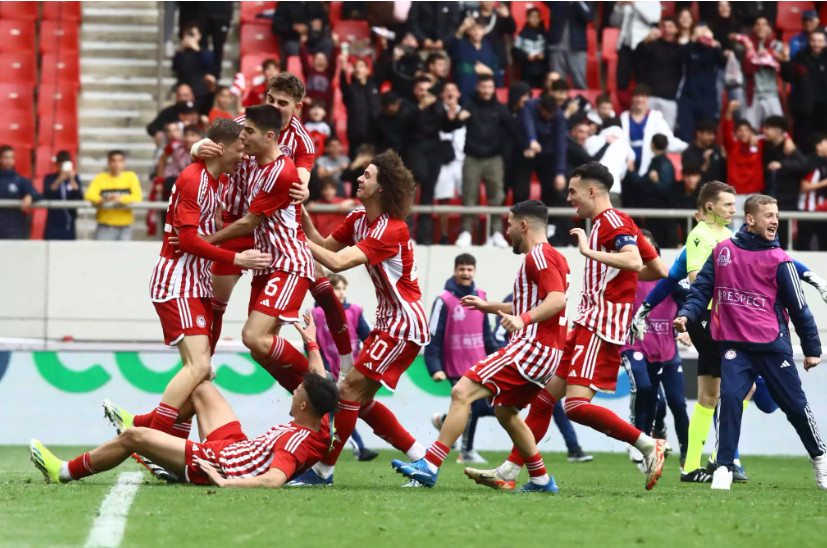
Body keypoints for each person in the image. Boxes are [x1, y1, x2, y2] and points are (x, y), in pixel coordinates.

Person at [467, 162, 669, 492]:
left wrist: (589, 252)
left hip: (599, 325)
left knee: (574, 406)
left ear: (592, 190)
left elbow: (633, 262)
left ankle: (648, 445)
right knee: (545, 400)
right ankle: (511, 470)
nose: (569, 197)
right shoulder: (622, 222)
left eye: (573, 191)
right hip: (587, 323)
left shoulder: (611, 223)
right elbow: (656, 268)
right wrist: (616, 276)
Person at [392, 200, 569, 492]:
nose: (507, 230)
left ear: (523, 225)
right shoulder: (553, 257)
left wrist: (522, 320)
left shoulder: (539, 256)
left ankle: (431, 465)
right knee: (505, 411)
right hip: (547, 351)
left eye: (509, 224)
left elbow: (557, 301)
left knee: (462, 391)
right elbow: (537, 301)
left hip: (532, 347)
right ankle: (540, 479)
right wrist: (488, 307)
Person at [194, 73, 354, 380]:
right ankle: (204, 367)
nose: (276, 107)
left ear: (297, 108)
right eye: (271, 100)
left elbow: (302, 180)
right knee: (219, 305)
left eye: (283, 103)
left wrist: (304, 189)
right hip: (238, 221)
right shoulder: (246, 123)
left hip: (274, 231)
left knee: (321, 287)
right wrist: (197, 148)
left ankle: (341, 366)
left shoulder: (300, 144)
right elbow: (210, 145)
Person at [137, 119, 271, 479]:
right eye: (239, 147)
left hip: (194, 282)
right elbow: (189, 241)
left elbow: (199, 238)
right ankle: (146, 434)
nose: (243, 154)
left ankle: (154, 443)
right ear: (222, 148)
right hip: (177, 281)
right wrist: (236, 258)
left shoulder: (217, 179)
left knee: (201, 372)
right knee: (198, 368)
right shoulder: (195, 180)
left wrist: (198, 147)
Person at [289, 150, 430, 487]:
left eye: (366, 175)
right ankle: (420, 457)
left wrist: (294, 237)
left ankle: (323, 471)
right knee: (359, 401)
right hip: (389, 322)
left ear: (382, 188)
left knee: (349, 391)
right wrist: (299, 213)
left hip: (404, 324)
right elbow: (325, 246)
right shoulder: (357, 219)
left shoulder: (390, 230)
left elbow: (336, 264)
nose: (358, 179)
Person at [674, 194, 826, 490]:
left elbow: (799, 307)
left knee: (795, 406)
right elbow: (701, 290)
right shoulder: (722, 251)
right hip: (734, 345)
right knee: (729, 400)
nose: (775, 221)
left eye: (777, 215)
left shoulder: (780, 259)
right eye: (769, 215)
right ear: (751, 220)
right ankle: (724, 467)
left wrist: (812, 349)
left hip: (772, 346)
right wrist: (686, 315)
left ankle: (819, 457)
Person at [31, 365, 339, 489]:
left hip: (219, 462)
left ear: (303, 405)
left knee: (132, 438)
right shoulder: (320, 421)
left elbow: (274, 480)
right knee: (201, 388)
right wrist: (311, 339)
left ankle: (64, 472)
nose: (294, 390)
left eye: (298, 390)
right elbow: (319, 380)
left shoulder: (296, 442)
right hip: (234, 447)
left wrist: (222, 481)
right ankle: (152, 435)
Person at [197, 106, 320, 392]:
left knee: (253, 337)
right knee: (259, 349)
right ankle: (310, 401)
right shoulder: (258, 165)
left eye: (249, 131)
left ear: (268, 136)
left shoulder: (280, 171)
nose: (243, 135)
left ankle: (323, 388)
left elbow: (249, 222)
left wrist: (203, 242)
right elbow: (215, 145)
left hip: (289, 263)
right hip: (268, 264)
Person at [675, 180, 738, 482]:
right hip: (708, 319)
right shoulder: (700, 236)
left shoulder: (727, 235)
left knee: (709, 395)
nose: (733, 210)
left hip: (724, 319)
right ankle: (719, 457)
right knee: (742, 383)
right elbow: (695, 277)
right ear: (710, 206)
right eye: (728, 204)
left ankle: (692, 466)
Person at [491, 291, 594, 463]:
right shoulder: (516, 299)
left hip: (542, 366)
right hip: (520, 366)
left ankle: (571, 448)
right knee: (503, 409)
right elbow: (499, 334)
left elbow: (558, 332)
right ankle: (513, 458)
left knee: (548, 405)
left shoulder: (553, 299)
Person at [623, 229, 689, 466]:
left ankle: (687, 459)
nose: (642, 254)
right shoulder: (626, 280)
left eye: (647, 249)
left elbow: (687, 304)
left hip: (667, 353)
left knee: (678, 404)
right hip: (638, 348)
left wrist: (687, 327)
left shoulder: (670, 280)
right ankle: (639, 440)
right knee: (649, 395)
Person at [425, 253, 498, 464]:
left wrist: (497, 357)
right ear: (455, 271)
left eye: (469, 269)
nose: (466, 273)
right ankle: (466, 452)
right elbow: (433, 337)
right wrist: (434, 367)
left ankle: (444, 421)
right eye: (462, 269)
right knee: (471, 406)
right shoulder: (444, 300)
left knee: (473, 407)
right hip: (455, 366)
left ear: (474, 271)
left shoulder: (481, 297)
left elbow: (487, 335)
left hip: (480, 364)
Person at [310, 273, 376, 462]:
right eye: (335, 288)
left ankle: (345, 449)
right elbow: (311, 345)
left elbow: (368, 338)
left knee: (339, 411)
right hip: (328, 372)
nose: (340, 293)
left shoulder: (355, 311)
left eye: (342, 288)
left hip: (351, 373)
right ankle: (356, 449)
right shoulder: (315, 315)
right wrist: (320, 370)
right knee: (335, 411)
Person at [456, 74, 511, 248]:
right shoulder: (469, 105)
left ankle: (496, 232)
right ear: (478, 87)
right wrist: (459, 117)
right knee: (469, 195)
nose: (486, 90)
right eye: (483, 87)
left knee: (496, 196)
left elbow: (511, 130)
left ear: (494, 88)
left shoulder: (501, 108)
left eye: (489, 87)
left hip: (494, 158)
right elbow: (453, 124)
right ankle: (466, 232)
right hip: (472, 157)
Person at [516, 94, 568, 245]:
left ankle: (549, 227)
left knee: (552, 189)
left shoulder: (558, 115)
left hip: (547, 155)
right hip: (525, 151)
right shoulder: (530, 106)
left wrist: (559, 172)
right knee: (521, 191)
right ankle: (520, 229)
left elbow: (560, 144)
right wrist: (531, 141)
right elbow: (527, 125)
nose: (549, 117)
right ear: (541, 108)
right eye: (547, 113)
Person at [621, 85, 687, 182]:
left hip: (649, 167)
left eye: (643, 96)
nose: (639, 99)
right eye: (636, 96)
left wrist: (687, 147)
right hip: (628, 167)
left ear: (648, 99)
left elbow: (669, 140)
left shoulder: (655, 117)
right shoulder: (624, 118)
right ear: (632, 98)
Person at [761, 115, 808, 249]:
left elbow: (803, 165)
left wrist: (782, 164)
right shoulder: (767, 147)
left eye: (768, 128)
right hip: (768, 201)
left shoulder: (790, 148)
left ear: (778, 130)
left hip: (788, 201)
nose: (765, 131)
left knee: (786, 238)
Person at [677, 24, 726, 142]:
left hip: (708, 98)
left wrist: (715, 44)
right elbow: (680, 57)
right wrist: (693, 38)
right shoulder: (691, 48)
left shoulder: (713, 49)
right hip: (689, 97)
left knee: (708, 133)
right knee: (686, 135)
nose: (703, 34)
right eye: (701, 31)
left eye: (706, 31)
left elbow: (723, 63)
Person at [781, 29, 827, 154]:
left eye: (820, 41)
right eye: (813, 41)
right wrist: (785, 61)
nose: (816, 44)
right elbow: (788, 76)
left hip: (824, 109)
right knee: (804, 143)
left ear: (825, 43)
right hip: (805, 109)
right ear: (809, 42)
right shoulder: (801, 57)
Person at [737, 16, 786, 132]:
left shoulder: (775, 45)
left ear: (769, 29)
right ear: (753, 28)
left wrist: (769, 52)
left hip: (771, 93)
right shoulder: (745, 45)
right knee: (749, 130)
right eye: (757, 24)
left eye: (764, 24)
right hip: (752, 94)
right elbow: (732, 38)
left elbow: (784, 58)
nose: (761, 27)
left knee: (779, 129)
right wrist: (747, 46)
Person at [433, 83, 467, 245]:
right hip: (444, 161)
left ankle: (467, 234)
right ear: (441, 95)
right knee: (443, 197)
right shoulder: (437, 111)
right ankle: (444, 235)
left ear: (459, 93)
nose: (450, 93)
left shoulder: (467, 112)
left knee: (468, 198)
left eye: (453, 90)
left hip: (463, 160)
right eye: (446, 90)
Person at [610, 1, 662, 108]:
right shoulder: (626, 3)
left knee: (641, 80)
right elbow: (614, 22)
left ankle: (640, 107)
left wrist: (635, 4)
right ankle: (625, 107)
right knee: (622, 81)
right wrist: (618, 7)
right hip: (625, 45)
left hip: (644, 44)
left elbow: (653, 19)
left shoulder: (653, 2)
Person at [634, 18, 683, 130]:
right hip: (650, 96)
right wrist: (645, 41)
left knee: (667, 133)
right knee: (645, 130)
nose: (667, 29)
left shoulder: (681, 49)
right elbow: (636, 59)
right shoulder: (651, 45)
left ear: (676, 29)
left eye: (670, 26)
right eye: (664, 26)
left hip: (670, 98)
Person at [84, 151, 143, 241]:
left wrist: (119, 199)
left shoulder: (130, 176)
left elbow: (137, 196)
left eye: (120, 161)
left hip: (125, 226)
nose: (117, 164)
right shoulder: (101, 177)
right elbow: (89, 195)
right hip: (105, 225)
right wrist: (104, 199)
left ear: (124, 163)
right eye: (114, 161)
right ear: (109, 163)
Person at [722, 100, 763, 222]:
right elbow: (726, 130)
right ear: (736, 133)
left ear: (751, 132)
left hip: (755, 194)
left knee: (755, 230)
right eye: (740, 130)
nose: (743, 133)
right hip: (736, 195)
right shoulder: (732, 147)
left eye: (746, 130)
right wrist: (729, 111)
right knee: (736, 229)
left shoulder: (760, 145)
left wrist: (787, 138)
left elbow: (777, 134)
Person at [547, 1, 595, 90]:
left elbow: (589, 17)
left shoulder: (585, 2)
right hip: (556, 45)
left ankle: (581, 103)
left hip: (577, 46)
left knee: (579, 81)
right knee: (557, 83)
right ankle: (558, 103)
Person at [339, 53, 380, 156]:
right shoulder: (351, 89)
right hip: (356, 134)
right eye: (355, 67)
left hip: (374, 133)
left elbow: (383, 69)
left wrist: (383, 48)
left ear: (368, 70)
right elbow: (343, 85)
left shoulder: (374, 86)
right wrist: (343, 67)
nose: (358, 70)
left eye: (361, 67)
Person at [449, 17, 499, 98]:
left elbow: (497, 72)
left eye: (480, 29)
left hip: (484, 95)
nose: (477, 32)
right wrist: (462, 29)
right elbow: (451, 50)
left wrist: (489, 72)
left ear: (484, 31)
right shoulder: (460, 46)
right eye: (473, 29)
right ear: (468, 31)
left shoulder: (489, 48)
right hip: (464, 93)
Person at [0, 145, 41, 239]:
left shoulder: (20, 181)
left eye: (11, 157)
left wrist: (30, 196)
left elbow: (38, 195)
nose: (9, 160)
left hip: (15, 230)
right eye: (6, 157)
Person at [173, 23, 215, 114]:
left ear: (199, 36)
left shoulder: (204, 52)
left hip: (200, 92)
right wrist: (180, 50)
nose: (190, 37)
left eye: (193, 34)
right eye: (188, 34)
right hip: (184, 90)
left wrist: (197, 48)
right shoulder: (181, 53)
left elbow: (209, 64)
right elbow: (175, 67)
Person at [43, 151, 83, 241]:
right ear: (57, 165)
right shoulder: (49, 178)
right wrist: (59, 179)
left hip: (69, 221)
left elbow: (79, 196)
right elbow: (47, 194)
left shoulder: (75, 178)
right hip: (53, 220)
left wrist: (72, 179)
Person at [797, 134, 827, 250]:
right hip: (807, 210)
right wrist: (824, 183)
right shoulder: (810, 163)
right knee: (804, 245)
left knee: (824, 245)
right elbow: (804, 186)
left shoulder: (824, 163)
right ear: (818, 146)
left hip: (822, 211)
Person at [682, 118, 726, 186]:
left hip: (718, 191)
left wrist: (725, 159)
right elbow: (690, 177)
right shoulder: (688, 153)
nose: (712, 137)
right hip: (699, 192)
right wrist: (705, 163)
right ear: (699, 133)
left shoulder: (717, 149)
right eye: (709, 134)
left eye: (713, 134)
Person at [512, 7, 548, 89]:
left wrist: (544, 55)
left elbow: (549, 51)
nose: (535, 19)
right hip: (526, 70)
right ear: (527, 18)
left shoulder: (545, 34)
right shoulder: (522, 34)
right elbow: (515, 52)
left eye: (537, 17)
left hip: (542, 70)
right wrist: (526, 56)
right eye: (532, 16)